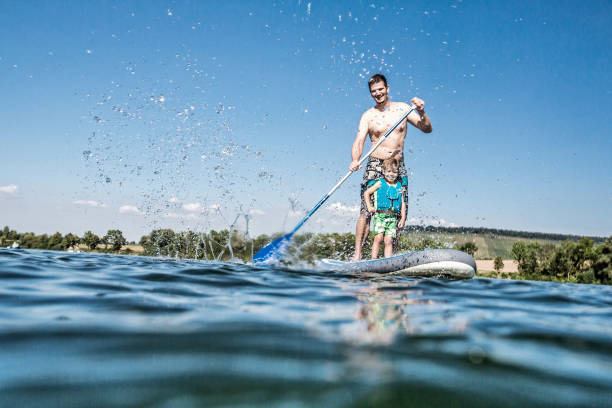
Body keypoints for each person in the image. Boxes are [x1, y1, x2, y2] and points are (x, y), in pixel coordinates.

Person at [350, 73, 432, 261]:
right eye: (373, 91)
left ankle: (390, 258)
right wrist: (355, 159)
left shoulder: (403, 109)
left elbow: (426, 128)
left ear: (387, 89)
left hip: (397, 166)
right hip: (375, 164)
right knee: (366, 210)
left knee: (397, 211)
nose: (377, 93)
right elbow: (359, 139)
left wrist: (422, 111)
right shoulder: (368, 116)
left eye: (380, 89)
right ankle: (357, 256)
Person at [363, 158, 406, 259]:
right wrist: (369, 206)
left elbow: (403, 203)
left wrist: (403, 218)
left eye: (395, 172)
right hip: (380, 216)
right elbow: (366, 193)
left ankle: (388, 260)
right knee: (378, 238)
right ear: (383, 172)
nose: (392, 174)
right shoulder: (380, 183)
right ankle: (373, 259)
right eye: (389, 171)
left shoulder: (399, 186)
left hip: (392, 218)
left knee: (389, 240)